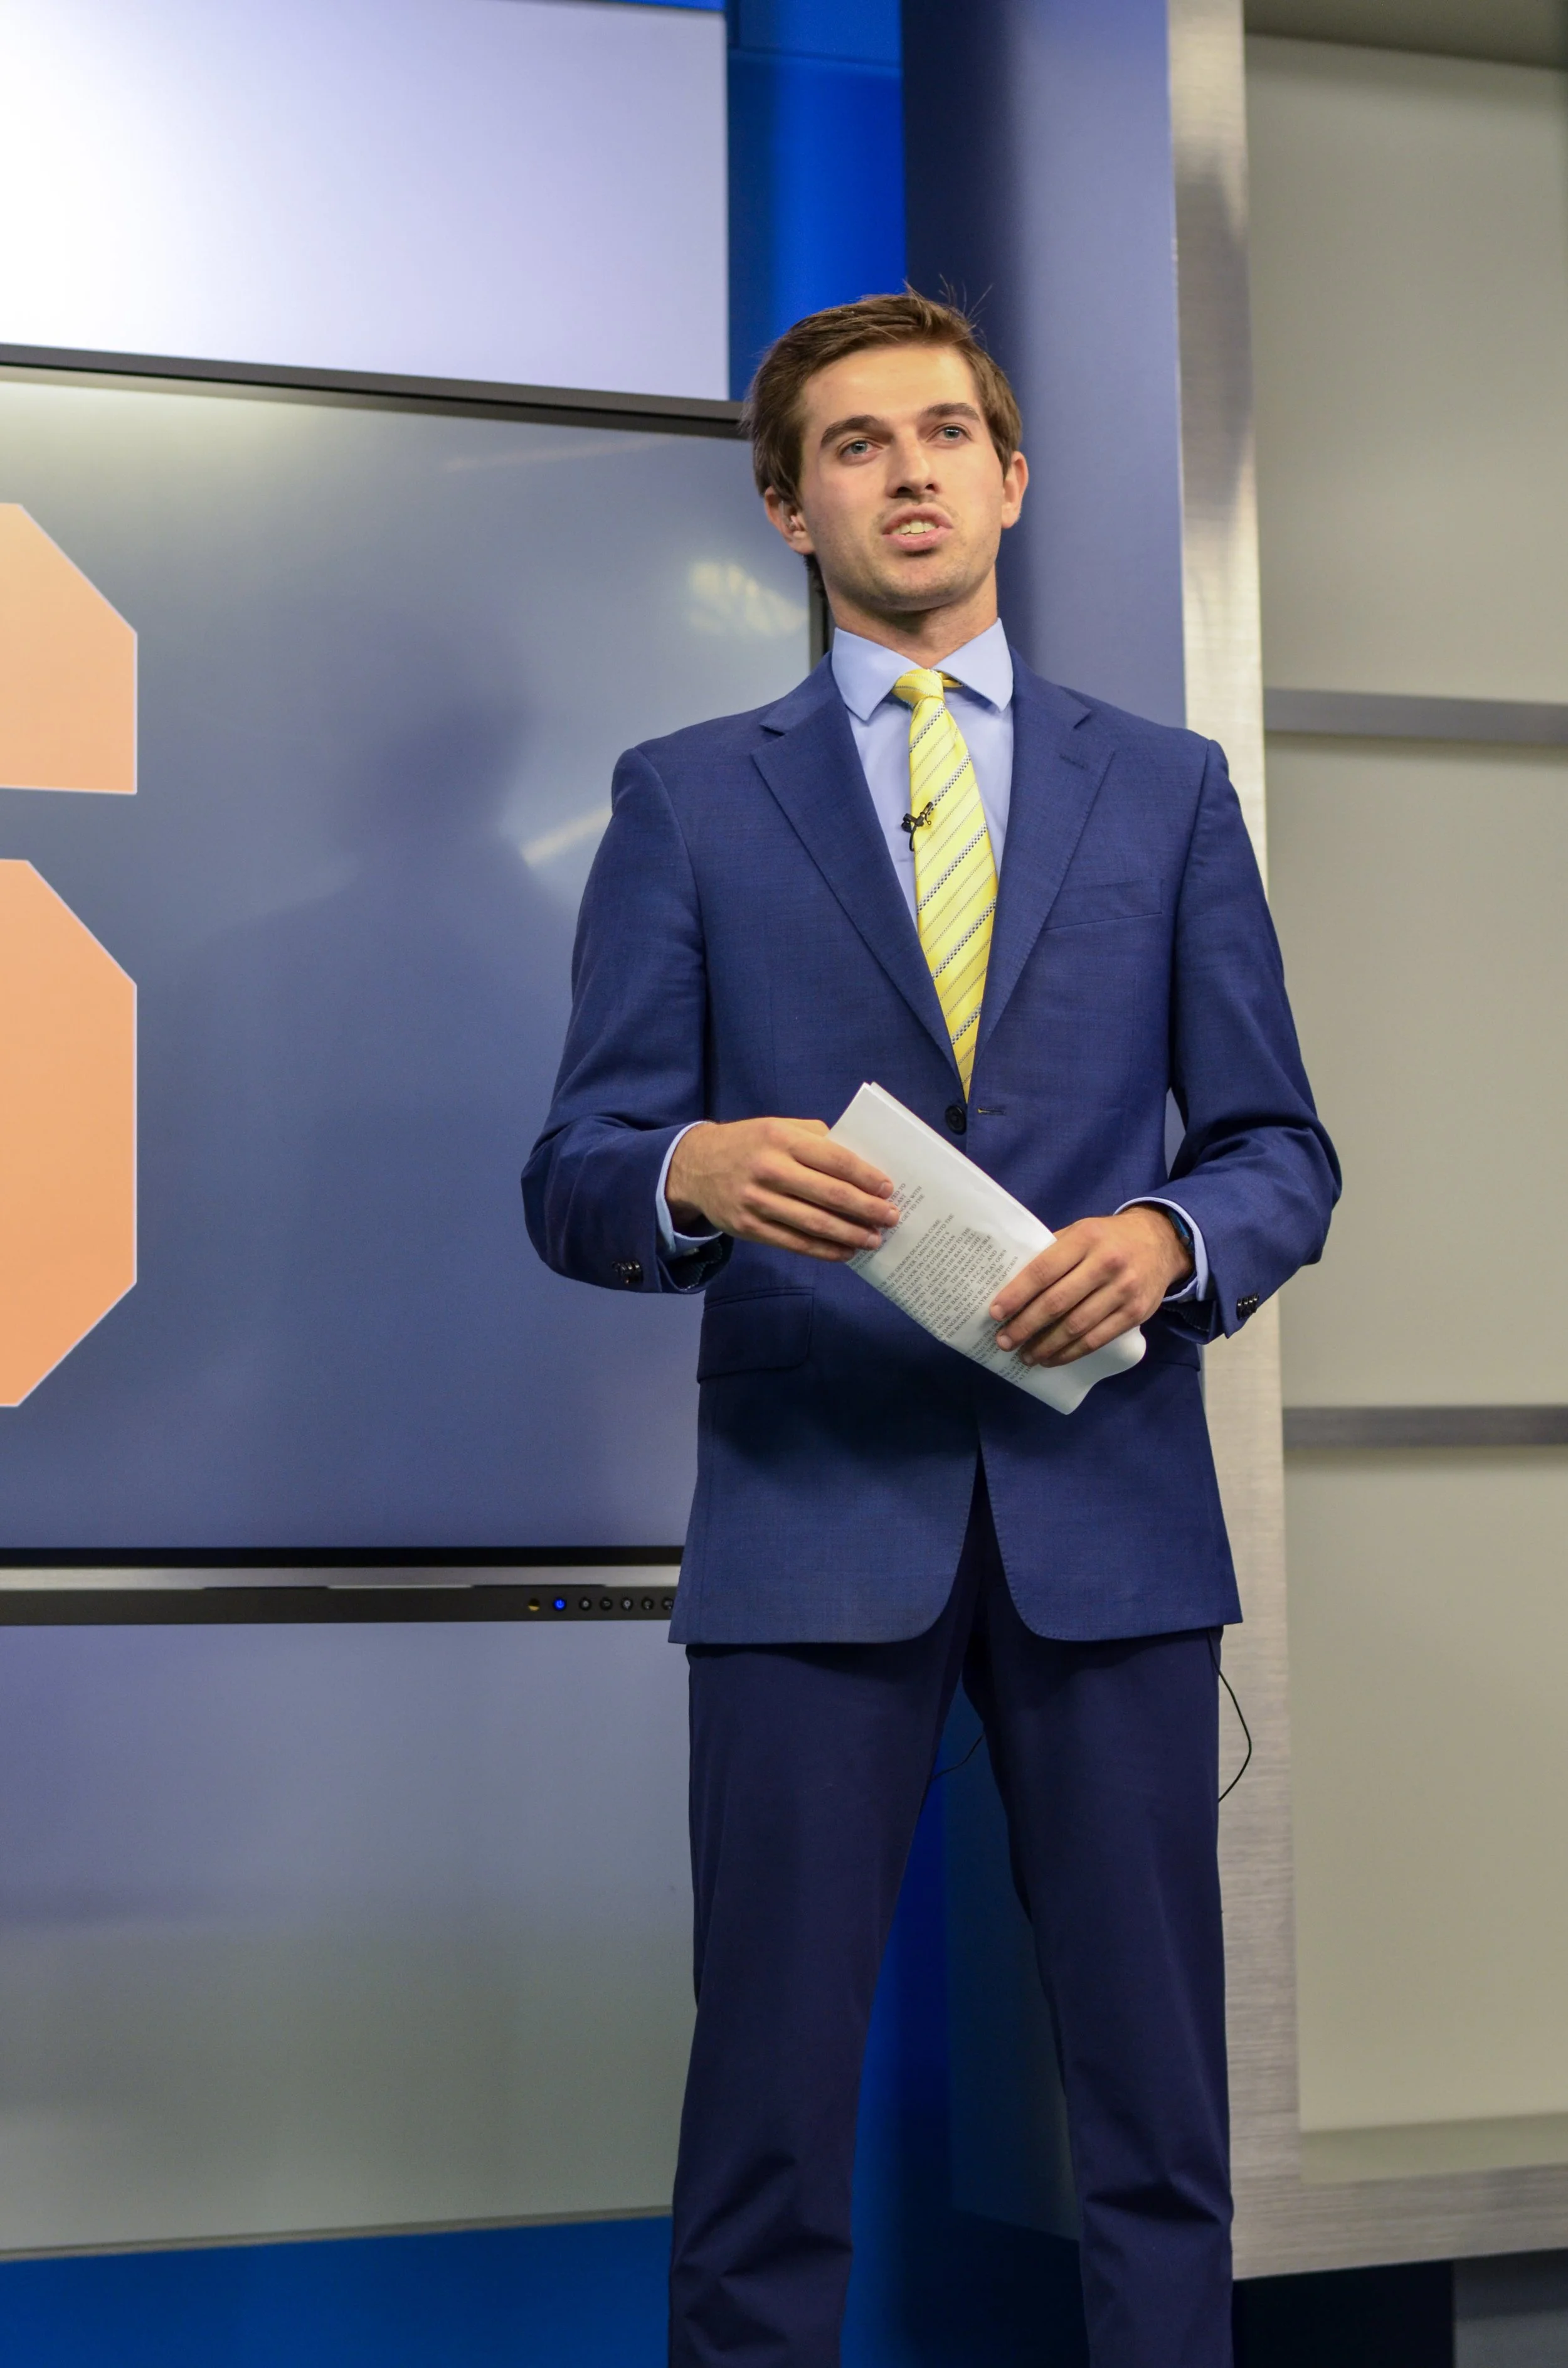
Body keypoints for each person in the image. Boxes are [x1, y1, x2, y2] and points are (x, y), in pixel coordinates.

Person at [523, 293, 1338, 2368]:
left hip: (1113, 1523)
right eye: (858, 445)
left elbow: (1276, 1148)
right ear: (790, 510)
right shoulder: (688, 798)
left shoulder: (1163, 793)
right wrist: (687, 1170)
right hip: (814, 1522)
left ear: (1012, 477)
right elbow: (577, 1164)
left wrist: (1167, 1236)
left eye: (945, 432)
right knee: (768, 2125)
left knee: (1159, 2121)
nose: (909, 469)